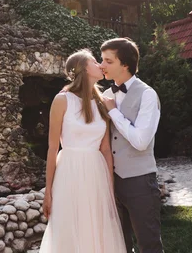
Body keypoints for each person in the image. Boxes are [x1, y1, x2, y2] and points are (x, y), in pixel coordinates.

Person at [39, 49, 127, 253]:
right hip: (69, 172)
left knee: (97, 227)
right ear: (83, 69)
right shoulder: (62, 100)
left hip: (97, 174)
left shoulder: (100, 102)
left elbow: (105, 149)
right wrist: (48, 191)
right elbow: (53, 148)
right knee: (70, 227)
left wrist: (110, 185)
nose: (100, 65)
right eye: (95, 62)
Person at [100, 37, 164, 253]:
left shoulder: (147, 94)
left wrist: (113, 113)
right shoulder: (106, 95)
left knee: (149, 245)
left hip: (140, 182)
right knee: (119, 245)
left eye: (108, 61)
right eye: (102, 60)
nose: (102, 66)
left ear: (125, 64)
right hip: (111, 181)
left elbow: (140, 141)